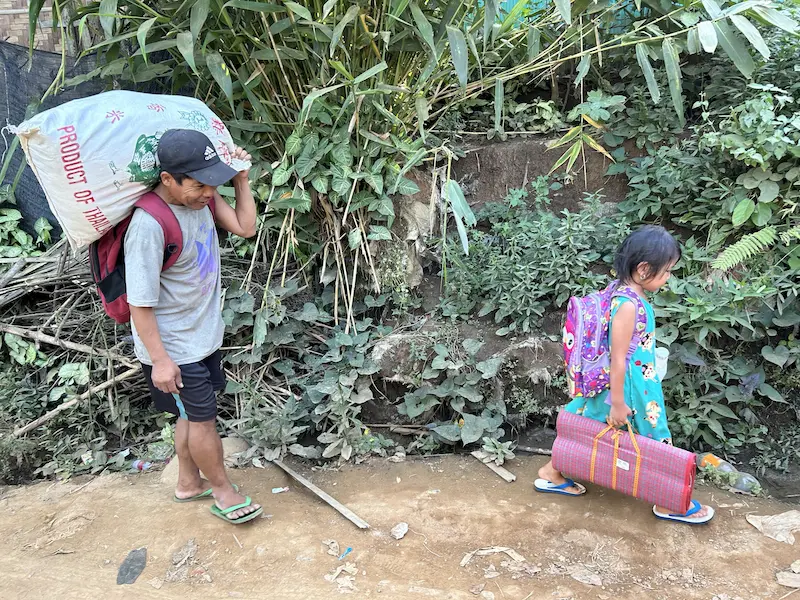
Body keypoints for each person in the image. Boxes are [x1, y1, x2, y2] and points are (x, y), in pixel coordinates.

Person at [125, 129, 262, 525]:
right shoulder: (149, 227)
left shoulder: (203, 198)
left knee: (189, 415)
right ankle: (223, 490)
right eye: (198, 184)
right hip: (175, 348)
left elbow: (245, 226)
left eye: (211, 182)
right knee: (203, 421)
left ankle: (188, 482)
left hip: (201, 336)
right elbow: (140, 304)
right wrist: (161, 361)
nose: (207, 192)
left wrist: (239, 179)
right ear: (168, 179)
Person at [535, 225, 714, 525]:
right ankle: (670, 502)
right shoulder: (629, 305)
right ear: (644, 269)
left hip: (611, 384)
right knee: (655, 436)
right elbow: (618, 358)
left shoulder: (617, 291)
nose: (669, 277)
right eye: (667, 271)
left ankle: (552, 472)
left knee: (584, 424)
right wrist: (618, 403)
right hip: (630, 388)